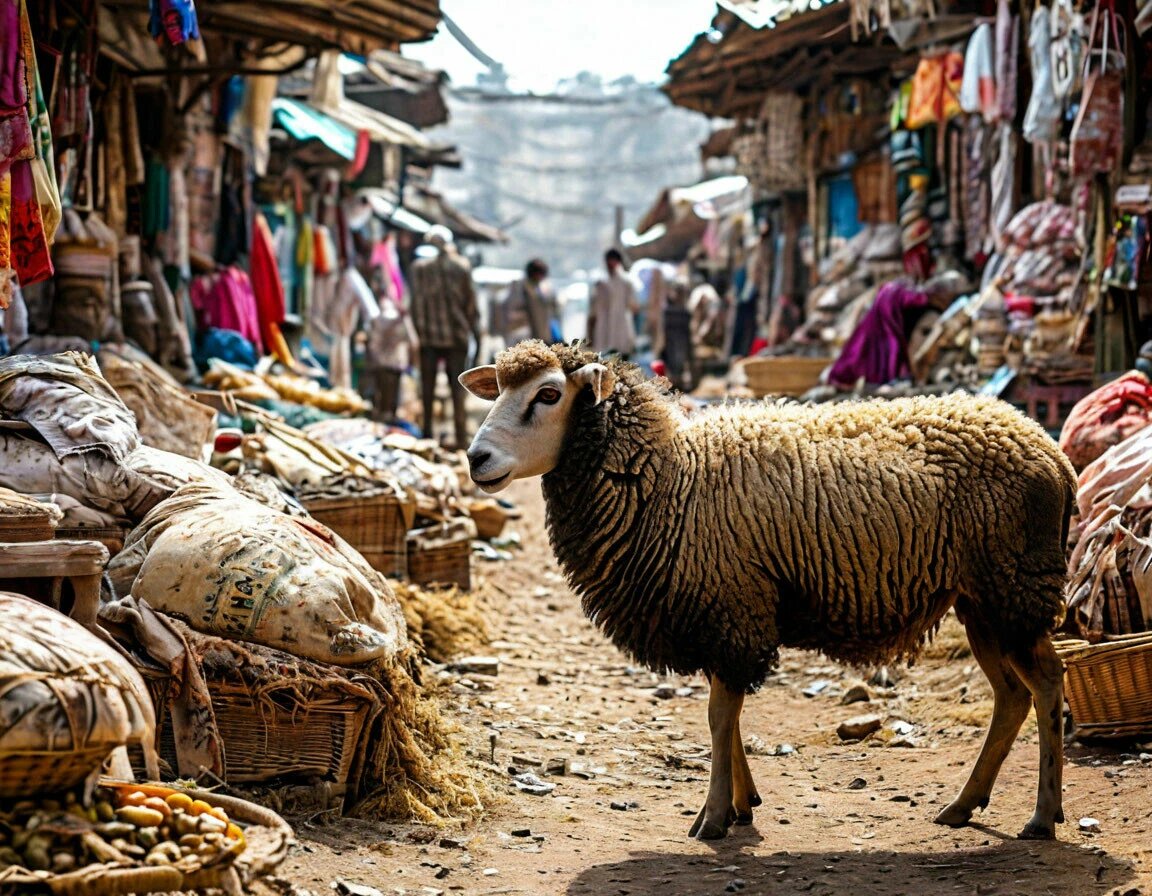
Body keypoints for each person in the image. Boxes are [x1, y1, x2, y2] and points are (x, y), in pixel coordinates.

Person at [826, 271, 970, 390]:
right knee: (886, 354)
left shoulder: (908, 292)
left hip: (883, 321)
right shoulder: (915, 298)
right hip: (887, 322)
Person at [408, 225, 480, 448]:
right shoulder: (461, 266)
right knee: (457, 390)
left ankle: (427, 435)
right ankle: (460, 438)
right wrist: (476, 333)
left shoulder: (419, 268)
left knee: (427, 389)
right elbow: (471, 304)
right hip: (456, 337)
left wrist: (417, 333)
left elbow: (414, 304)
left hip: (427, 338)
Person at [588, 248, 639, 358]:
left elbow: (633, 306)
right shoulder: (600, 282)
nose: (610, 264)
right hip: (603, 330)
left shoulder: (626, 282)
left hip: (621, 330)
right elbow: (593, 312)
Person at [502, 258, 558, 345]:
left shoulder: (541, 288)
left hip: (540, 337)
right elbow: (513, 312)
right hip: (522, 337)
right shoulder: (519, 287)